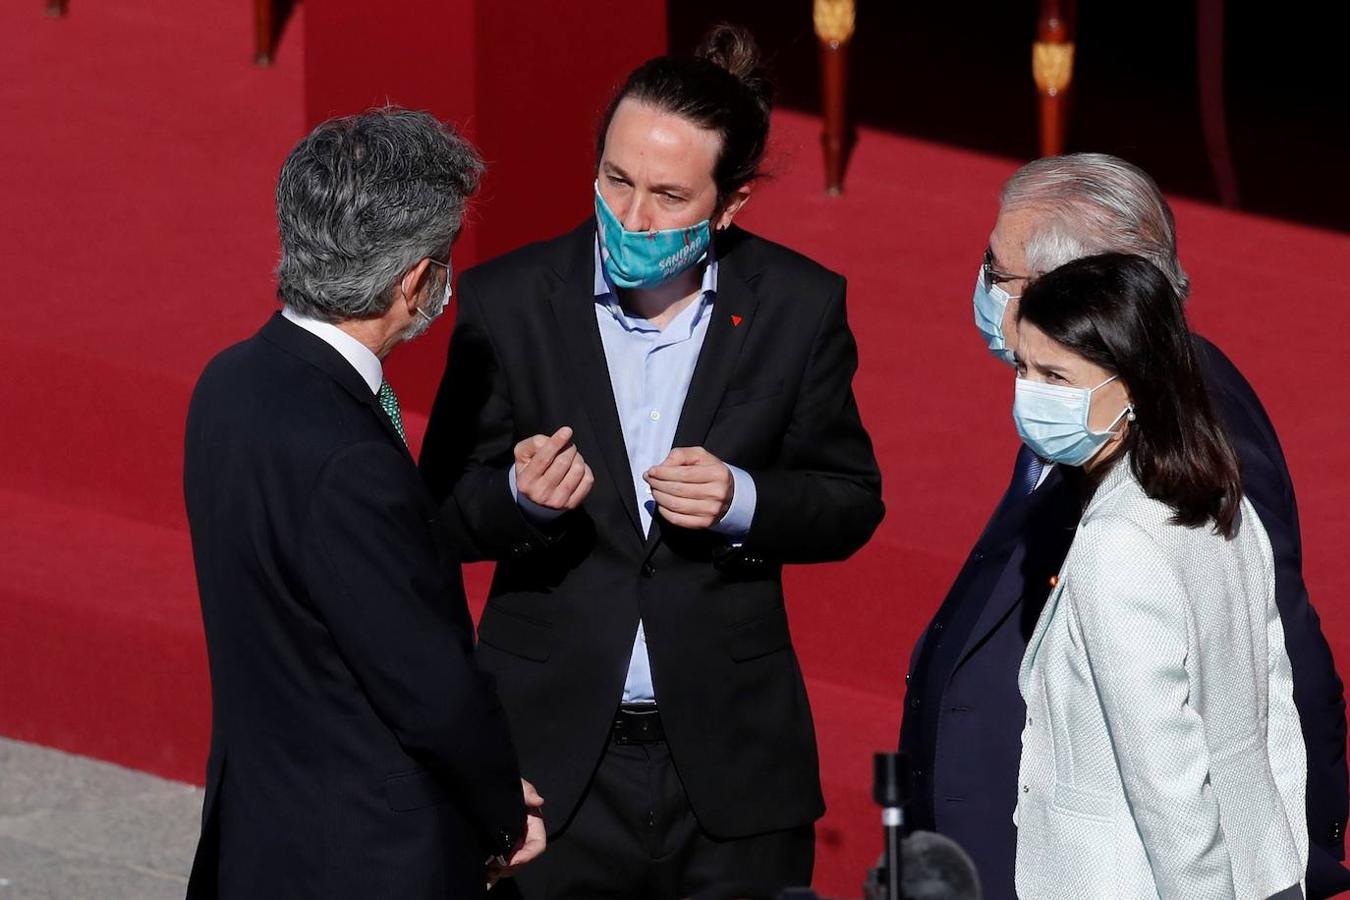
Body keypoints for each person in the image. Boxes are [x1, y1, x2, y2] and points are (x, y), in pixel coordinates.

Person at [420, 25, 884, 899]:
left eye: (669, 195)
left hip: (731, 768)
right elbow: (438, 511)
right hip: (549, 769)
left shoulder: (798, 306)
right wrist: (520, 496)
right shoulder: (509, 300)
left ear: (731, 204)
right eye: (616, 180)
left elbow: (852, 499)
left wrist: (744, 499)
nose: (632, 217)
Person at [899, 152, 1350, 899]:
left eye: (998, 271)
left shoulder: (1183, 436)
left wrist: (1298, 856)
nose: (983, 287)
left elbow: (1267, 653)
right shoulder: (1086, 404)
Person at [183, 108, 542, 899]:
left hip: (261, 833)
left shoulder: (225, 384)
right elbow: (426, 685)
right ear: (414, 280)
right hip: (365, 857)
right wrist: (502, 813)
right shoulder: (351, 461)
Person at [1010, 253, 1306, 897]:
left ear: (1136, 386)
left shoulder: (1118, 542)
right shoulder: (1224, 505)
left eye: (1057, 377)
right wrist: (1282, 864)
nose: (1030, 393)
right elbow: (1275, 708)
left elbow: (1164, 776)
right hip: (1261, 867)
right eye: (1023, 369)